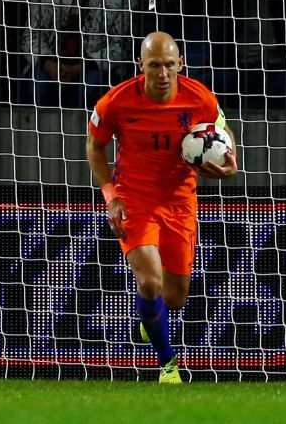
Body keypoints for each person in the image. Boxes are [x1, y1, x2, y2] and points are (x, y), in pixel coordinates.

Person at [86, 32, 238, 383]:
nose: (163, 73)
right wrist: (111, 196)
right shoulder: (116, 101)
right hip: (135, 200)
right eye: (154, 65)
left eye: (169, 64)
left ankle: (148, 317)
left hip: (180, 201)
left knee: (175, 298)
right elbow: (95, 146)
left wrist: (231, 165)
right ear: (141, 66)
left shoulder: (199, 97)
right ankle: (167, 363)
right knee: (150, 282)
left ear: (180, 64)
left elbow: (223, 131)